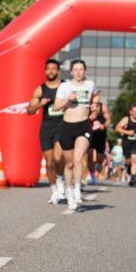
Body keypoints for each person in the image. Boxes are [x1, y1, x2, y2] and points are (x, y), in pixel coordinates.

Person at [52, 59, 94, 211]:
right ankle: (69, 193)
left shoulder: (90, 85)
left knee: (78, 159)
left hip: (83, 125)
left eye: (81, 69)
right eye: (75, 69)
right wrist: (67, 101)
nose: (78, 72)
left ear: (84, 71)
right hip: (67, 126)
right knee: (68, 164)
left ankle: (77, 190)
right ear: (71, 72)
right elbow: (56, 107)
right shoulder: (64, 86)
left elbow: (94, 99)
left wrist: (95, 107)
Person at [26, 58, 65, 204]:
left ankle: (61, 182)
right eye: (48, 69)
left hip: (62, 126)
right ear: (45, 71)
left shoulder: (65, 86)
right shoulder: (40, 90)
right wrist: (39, 105)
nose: (51, 71)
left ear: (58, 71)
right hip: (47, 127)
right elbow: (29, 111)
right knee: (49, 163)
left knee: (58, 157)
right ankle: (55, 191)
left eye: (54, 69)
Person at [115, 103, 136, 186]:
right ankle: (128, 168)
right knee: (129, 161)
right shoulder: (126, 119)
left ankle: (133, 178)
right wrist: (127, 132)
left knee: (135, 159)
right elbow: (117, 128)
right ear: (130, 112)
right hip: (126, 142)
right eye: (134, 111)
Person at [87, 91, 110, 186]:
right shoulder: (87, 106)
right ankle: (91, 175)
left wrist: (104, 126)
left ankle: (97, 167)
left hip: (100, 135)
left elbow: (108, 119)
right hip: (90, 134)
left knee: (99, 159)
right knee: (90, 156)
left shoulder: (103, 106)